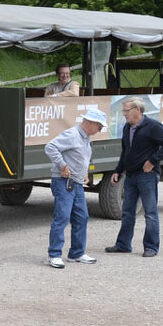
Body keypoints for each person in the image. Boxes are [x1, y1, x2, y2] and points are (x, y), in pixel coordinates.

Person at [105, 97, 163, 257]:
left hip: (147, 176)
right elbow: (125, 152)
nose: (124, 114)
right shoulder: (126, 128)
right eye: (123, 111)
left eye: (126, 111)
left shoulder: (152, 126)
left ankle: (151, 247)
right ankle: (123, 244)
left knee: (150, 212)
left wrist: (153, 161)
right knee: (127, 211)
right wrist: (118, 170)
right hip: (130, 176)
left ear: (137, 110)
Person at [44, 108, 109, 268]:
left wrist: (84, 173)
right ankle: (54, 255)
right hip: (64, 182)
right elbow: (50, 147)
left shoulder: (86, 138)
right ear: (91, 122)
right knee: (62, 217)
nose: (100, 130)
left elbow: (81, 157)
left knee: (82, 217)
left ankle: (77, 253)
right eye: (99, 127)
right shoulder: (73, 135)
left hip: (77, 183)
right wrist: (62, 165)